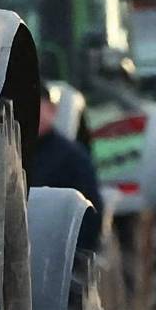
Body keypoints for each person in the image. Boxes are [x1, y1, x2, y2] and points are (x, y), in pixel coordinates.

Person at [27, 84, 102, 253]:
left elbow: (90, 213)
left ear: (52, 109)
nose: (28, 114)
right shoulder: (11, 153)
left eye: (35, 106)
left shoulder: (72, 157)